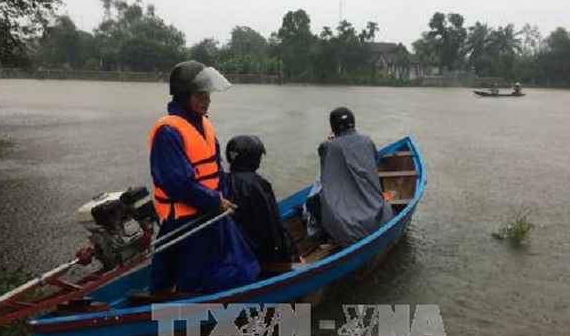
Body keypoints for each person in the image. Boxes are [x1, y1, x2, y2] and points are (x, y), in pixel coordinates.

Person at [147, 60, 260, 296]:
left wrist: (223, 197)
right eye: (200, 95)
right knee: (191, 281)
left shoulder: (204, 125)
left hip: (210, 214)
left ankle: (220, 307)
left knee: (240, 266)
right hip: (185, 223)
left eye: (207, 94)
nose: (207, 100)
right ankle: (175, 319)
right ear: (182, 96)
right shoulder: (168, 132)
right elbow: (177, 183)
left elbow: (216, 168)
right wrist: (215, 201)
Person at [307, 107, 393, 248]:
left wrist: (332, 141)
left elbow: (323, 155)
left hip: (346, 224)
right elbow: (375, 161)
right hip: (375, 213)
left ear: (333, 126)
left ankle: (332, 238)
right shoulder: (368, 141)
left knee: (312, 202)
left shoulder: (328, 146)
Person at [224, 135, 300, 263]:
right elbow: (271, 225)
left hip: (241, 250)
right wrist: (291, 255)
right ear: (252, 158)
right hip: (262, 254)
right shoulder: (256, 184)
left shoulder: (224, 180)